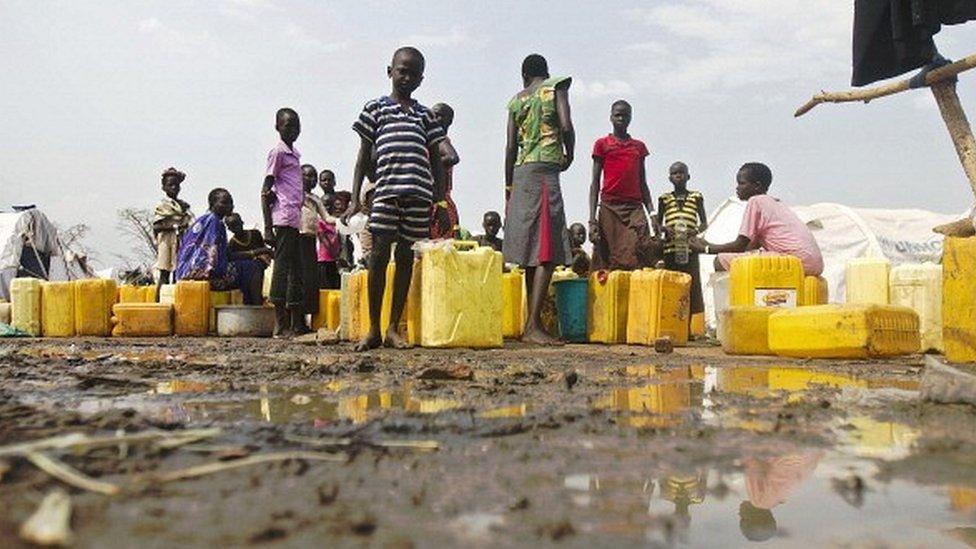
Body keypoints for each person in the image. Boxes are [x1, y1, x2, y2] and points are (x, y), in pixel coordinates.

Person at [344, 46, 447, 351]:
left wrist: (439, 203)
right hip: (386, 193)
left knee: (404, 259)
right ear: (390, 71)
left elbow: (437, 161)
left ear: (421, 79)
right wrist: (353, 199)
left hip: (418, 196)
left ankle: (392, 328)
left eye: (414, 73)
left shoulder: (425, 115)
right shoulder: (375, 109)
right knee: (377, 256)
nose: (407, 77)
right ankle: (373, 328)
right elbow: (362, 157)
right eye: (402, 70)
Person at [503, 53, 574, 346]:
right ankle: (533, 326)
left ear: (524, 76)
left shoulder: (516, 100)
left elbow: (509, 146)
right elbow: (566, 126)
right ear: (546, 71)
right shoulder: (555, 87)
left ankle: (531, 323)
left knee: (532, 244)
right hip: (545, 170)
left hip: (520, 172)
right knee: (546, 246)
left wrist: (508, 185)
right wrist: (569, 154)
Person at [690, 162, 824, 276]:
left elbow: (739, 245)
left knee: (720, 261)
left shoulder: (756, 202)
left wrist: (705, 249)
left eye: (742, 183)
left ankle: (738, 304)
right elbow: (748, 248)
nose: (737, 188)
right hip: (814, 263)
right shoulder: (776, 203)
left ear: (757, 186)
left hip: (796, 262)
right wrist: (707, 243)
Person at [589, 100, 659, 271]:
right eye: (617, 115)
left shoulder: (638, 147)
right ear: (611, 117)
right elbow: (595, 182)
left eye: (625, 115)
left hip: (634, 208)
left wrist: (652, 212)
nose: (621, 118)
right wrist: (592, 219)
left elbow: (643, 182)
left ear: (631, 118)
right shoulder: (602, 144)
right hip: (609, 208)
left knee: (640, 247)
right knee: (609, 257)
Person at [175, 189, 263, 302]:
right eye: (224, 203)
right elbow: (214, 258)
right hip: (204, 277)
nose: (230, 206)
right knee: (254, 267)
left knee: (245, 266)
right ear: (212, 204)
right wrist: (257, 253)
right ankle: (256, 306)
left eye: (231, 202)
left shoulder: (202, 220)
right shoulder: (215, 222)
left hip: (184, 275)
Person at [262, 107, 305, 338]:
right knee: (282, 269)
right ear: (277, 127)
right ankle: (280, 324)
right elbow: (265, 190)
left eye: (296, 125)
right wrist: (267, 227)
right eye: (288, 125)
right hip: (283, 217)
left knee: (296, 270)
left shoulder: (294, 154)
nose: (293, 130)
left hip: (294, 218)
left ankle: (296, 322)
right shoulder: (277, 153)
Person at [658, 161, 707, 326]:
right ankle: (672, 323)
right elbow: (657, 224)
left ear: (688, 176)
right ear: (669, 178)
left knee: (691, 285)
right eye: (674, 173)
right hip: (671, 249)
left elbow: (704, 223)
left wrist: (694, 232)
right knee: (672, 284)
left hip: (690, 250)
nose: (678, 176)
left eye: (681, 173)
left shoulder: (696, 197)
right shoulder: (664, 199)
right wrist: (666, 229)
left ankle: (687, 327)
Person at [297, 164, 330, 333]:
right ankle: (296, 321)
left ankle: (304, 320)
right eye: (307, 176)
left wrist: (344, 219)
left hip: (310, 240)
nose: (311, 179)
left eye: (314, 177)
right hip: (297, 238)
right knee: (297, 278)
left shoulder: (316, 199)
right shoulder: (294, 195)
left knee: (310, 280)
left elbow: (327, 217)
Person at [152, 167, 193, 298]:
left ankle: (176, 301)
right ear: (163, 187)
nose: (174, 187)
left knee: (178, 272)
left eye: (176, 185)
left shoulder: (182, 206)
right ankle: (158, 303)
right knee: (164, 273)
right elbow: (157, 226)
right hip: (166, 241)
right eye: (170, 185)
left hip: (180, 240)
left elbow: (190, 221)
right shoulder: (163, 205)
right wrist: (175, 226)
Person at [225, 212, 273, 305]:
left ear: (242, 222)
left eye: (237, 224)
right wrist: (255, 253)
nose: (236, 228)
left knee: (257, 271)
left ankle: (257, 302)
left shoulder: (255, 234)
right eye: (232, 226)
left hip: (260, 265)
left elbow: (265, 251)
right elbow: (234, 258)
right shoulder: (232, 243)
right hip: (244, 272)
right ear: (229, 229)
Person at [429, 102, 461, 240]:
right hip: (435, 203)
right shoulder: (432, 140)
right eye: (432, 115)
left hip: (438, 205)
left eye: (438, 115)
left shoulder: (440, 140)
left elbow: (453, 157)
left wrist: (428, 165)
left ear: (449, 121)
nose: (433, 118)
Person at [318, 191, 351, 289]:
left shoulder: (335, 221)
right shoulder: (320, 222)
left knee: (335, 287)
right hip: (324, 260)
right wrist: (336, 257)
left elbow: (339, 240)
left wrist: (339, 254)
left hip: (334, 260)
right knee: (325, 288)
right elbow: (324, 241)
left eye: (329, 205)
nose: (327, 208)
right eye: (324, 205)